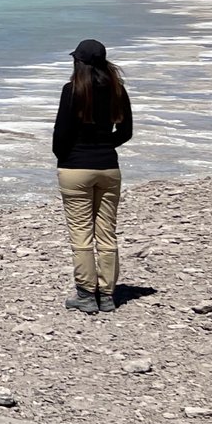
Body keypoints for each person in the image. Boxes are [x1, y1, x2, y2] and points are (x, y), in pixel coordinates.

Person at [53, 38, 133, 314]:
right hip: (109, 168)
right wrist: (104, 147)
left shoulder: (72, 90)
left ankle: (87, 294)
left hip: (75, 168)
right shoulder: (117, 90)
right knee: (107, 233)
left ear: (79, 63)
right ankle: (108, 294)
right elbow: (125, 132)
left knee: (81, 235)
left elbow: (61, 134)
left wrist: (65, 157)